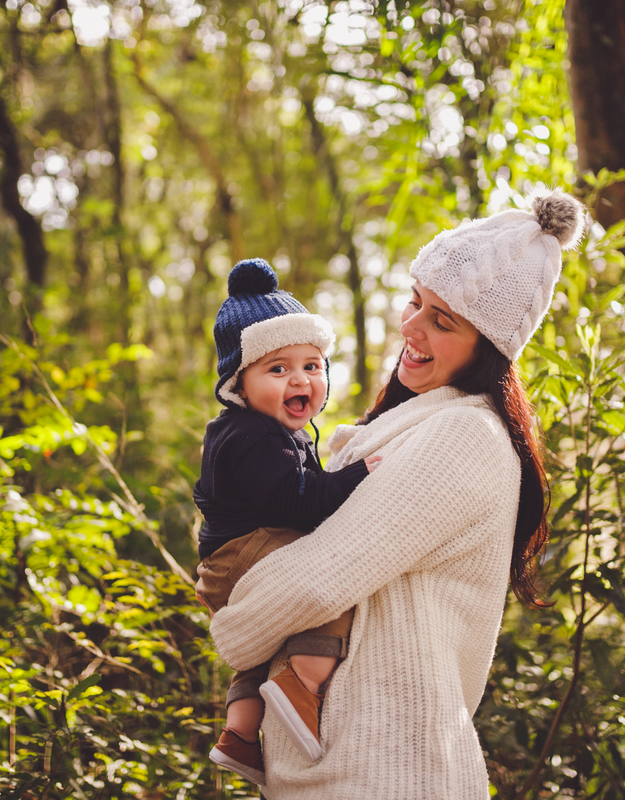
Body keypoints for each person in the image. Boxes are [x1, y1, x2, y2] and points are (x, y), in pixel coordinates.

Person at [209, 189, 586, 798]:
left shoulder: (463, 434)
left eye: (442, 320)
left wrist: (233, 627)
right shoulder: (407, 425)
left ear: (488, 346)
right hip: (340, 765)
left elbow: (317, 579)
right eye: (416, 302)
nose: (412, 326)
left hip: (388, 764)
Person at [194, 258, 382, 786]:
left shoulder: (273, 430)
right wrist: (359, 475)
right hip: (244, 553)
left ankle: (239, 734)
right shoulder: (251, 434)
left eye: (312, 366)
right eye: (277, 369)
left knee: (265, 633)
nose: (300, 379)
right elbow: (295, 500)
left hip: (235, 557)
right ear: (239, 384)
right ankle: (303, 683)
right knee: (325, 579)